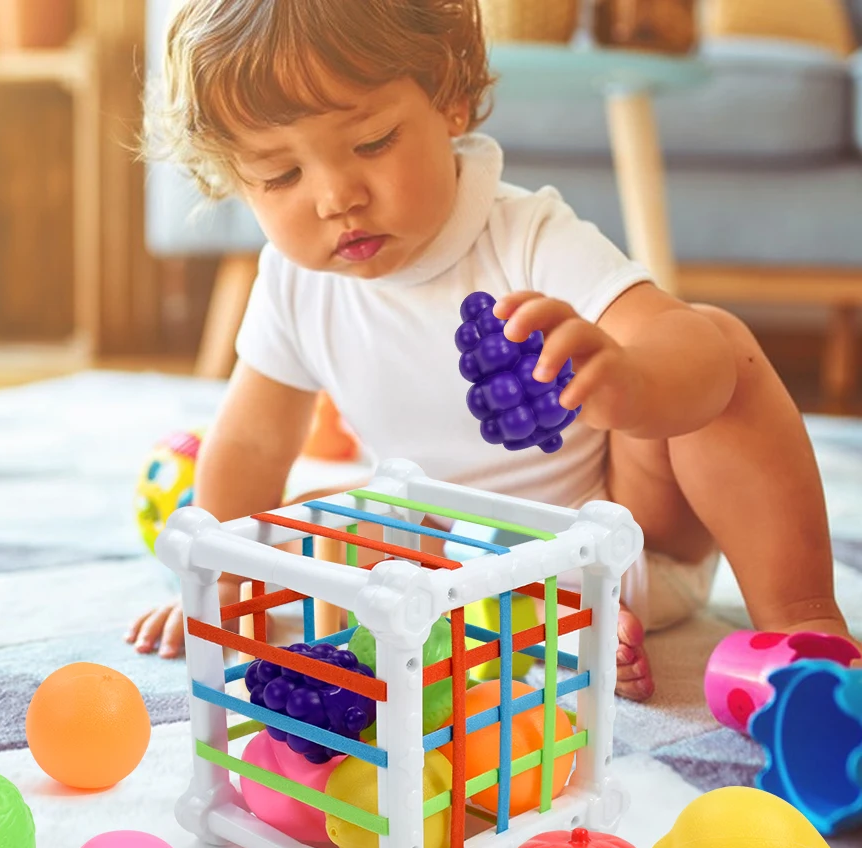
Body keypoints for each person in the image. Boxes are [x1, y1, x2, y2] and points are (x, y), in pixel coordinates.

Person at [126, 0, 858, 699]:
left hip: (622, 533)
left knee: (718, 345)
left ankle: (800, 622)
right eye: (281, 174)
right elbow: (252, 440)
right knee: (336, 529)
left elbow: (677, 341)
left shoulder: (526, 234)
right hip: (458, 572)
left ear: (447, 94)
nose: (335, 197)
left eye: (372, 142)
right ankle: (539, 631)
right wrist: (219, 584)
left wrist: (630, 380)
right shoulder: (293, 281)